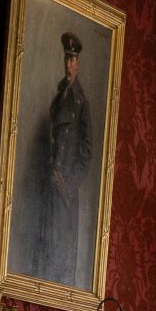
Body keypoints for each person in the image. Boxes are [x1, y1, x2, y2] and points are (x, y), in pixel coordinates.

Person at [29, 31, 95, 284]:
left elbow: (86, 152)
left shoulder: (81, 102)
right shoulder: (60, 96)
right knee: (45, 245)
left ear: (78, 64)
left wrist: (68, 183)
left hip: (66, 188)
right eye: (66, 59)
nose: (69, 65)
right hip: (51, 183)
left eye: (73, 60)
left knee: (60, 253)